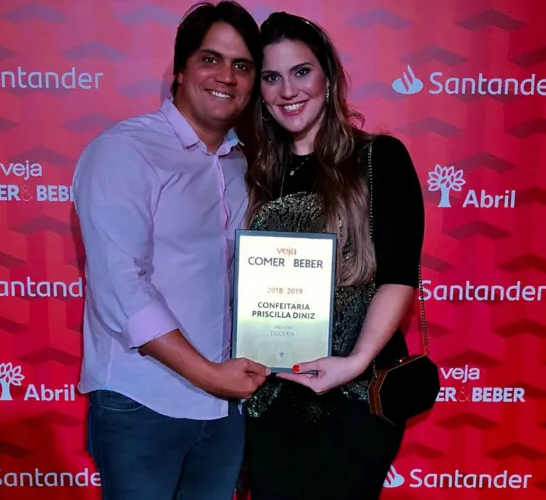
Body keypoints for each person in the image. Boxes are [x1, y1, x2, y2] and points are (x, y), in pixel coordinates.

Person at [72, 2, 269, 499]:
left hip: (225, 409)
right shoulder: (124, 151)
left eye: (242, 65)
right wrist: (211, 376)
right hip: (143, 402)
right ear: (180, 71)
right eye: (211, 59)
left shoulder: (242, 166)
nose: (226, 76)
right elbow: (121, 286)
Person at [242, 12, 425, 500]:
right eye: (271, 77)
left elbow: (399, 275)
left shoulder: (378, 158)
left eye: (301, 71)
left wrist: (356, 361)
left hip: (354, 394)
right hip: (271, 395)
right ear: (258, 89)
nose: (288, 90)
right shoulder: (256, 174)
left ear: (327, 74)